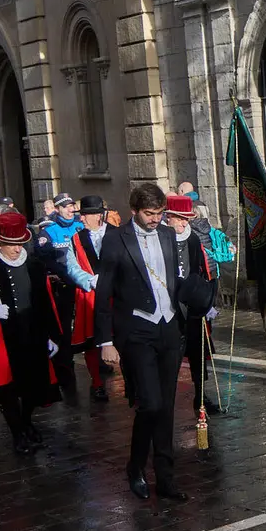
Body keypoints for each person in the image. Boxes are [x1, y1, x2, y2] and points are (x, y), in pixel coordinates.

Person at [95, 184, 211, 501]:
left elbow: (174, 279)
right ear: (134, 210)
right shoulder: (116, 239)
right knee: (150, 403)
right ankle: (135, 467)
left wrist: (196, 299)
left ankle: (166, 477)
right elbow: (103, 292)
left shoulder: (168, 235)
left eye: (159, 213)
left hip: (169, 328)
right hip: (136, 330)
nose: (155, 219)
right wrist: (105, 341)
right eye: (149, 213)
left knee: (167, 406)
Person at [0, 210, 63, 455]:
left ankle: (26, 421)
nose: (17, 249)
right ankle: (17, 432)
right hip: (2, 336)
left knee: (33, 384)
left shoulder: (34, 264)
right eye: (11, 244)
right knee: (7, 388)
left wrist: (51, 334)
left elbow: (46, 302)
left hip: (32, 331)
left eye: (20, 243)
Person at [163, 195, 224, 415]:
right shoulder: (161, 238)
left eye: (186, 219)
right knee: (171, 357)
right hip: (169, 308)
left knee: (198, 354)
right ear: (168, 217)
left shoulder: (193, 240)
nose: (183, 223)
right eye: (179, 218)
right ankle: (165, 400)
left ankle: (201, 396)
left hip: (192, 308)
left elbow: (201, 271)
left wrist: (206, 301)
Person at [64, 196, 115, 402]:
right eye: (81, 215)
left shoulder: (118, 234)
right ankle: (97, 383)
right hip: (90, 294)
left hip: (116, 295)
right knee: (92, 341)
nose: (81, 219)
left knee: (122, 337)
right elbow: (71, 267)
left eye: (85, 215)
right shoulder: (76, 239)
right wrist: (90, 280)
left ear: (99, 215)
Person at [34, 192, 84, 388]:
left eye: (72, 205)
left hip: (83, 285)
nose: (71, 209)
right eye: (65, 206)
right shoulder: (48, 231)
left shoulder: (80, 225)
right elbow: (44, 259)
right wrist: (64, 275)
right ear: (57, 209)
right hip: (62, 285)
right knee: (64, 327)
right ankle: (64, 363)